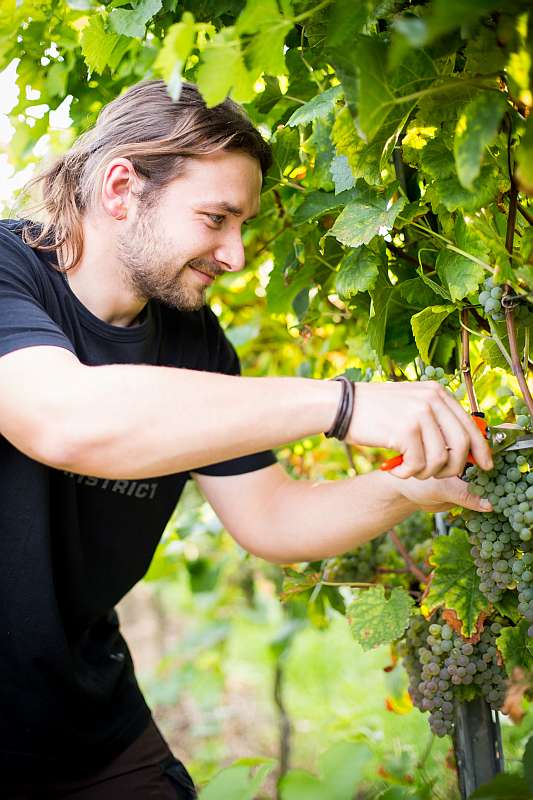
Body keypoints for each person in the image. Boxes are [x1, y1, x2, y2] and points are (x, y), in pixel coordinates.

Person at [0, 79, 493, 799]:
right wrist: (342, 404)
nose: (233, 255)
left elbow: (271, 518)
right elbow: (63, 420)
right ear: (120, 188)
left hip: (83, 720)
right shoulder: (7, 273)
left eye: (241, 226)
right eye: (215, 219)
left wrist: (404, 487)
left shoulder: (194, 344)